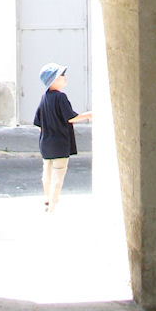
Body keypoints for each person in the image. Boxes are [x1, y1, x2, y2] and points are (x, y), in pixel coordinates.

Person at [33, 63, 91, 213]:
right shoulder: (61, 97)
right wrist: (89, 115)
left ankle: (47, 199)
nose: (65, 77)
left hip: (45, 144)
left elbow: (38, 123)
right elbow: (70, 117)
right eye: (62, 75)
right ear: (54, 80)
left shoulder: (44, 98)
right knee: (58, 175)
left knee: (47, 173)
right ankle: (52, 205)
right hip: (60, 144)